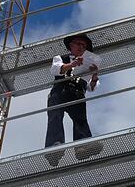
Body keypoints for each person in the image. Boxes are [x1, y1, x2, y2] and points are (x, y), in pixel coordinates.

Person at [44, 33, 103, 166]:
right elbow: (55, 70)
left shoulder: (88, 63)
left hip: (77, 93)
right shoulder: (61, 58)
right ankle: (54, 149)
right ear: (71, 45)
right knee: (55, 118)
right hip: (60, 92)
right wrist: (72, 64)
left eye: (84, 46)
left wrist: (94, 76)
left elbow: (91, 88)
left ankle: (83, 147)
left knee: (81, 120)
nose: (81, 47)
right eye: (79, 44)